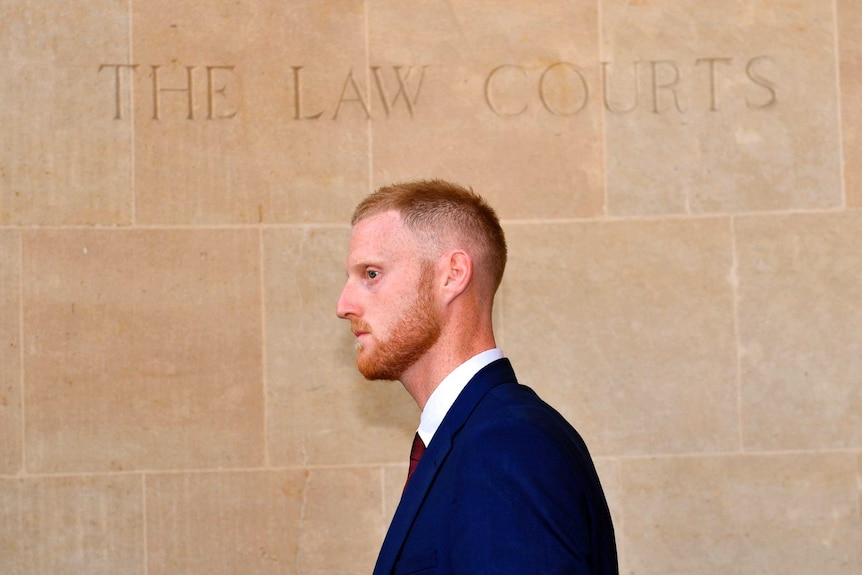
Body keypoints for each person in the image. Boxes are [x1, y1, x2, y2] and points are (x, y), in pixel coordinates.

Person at [336, 179, 618, 574]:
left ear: (452, 275)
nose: (344, 305)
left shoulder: (507, 446)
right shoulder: (481, 437)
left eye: (371, 274)